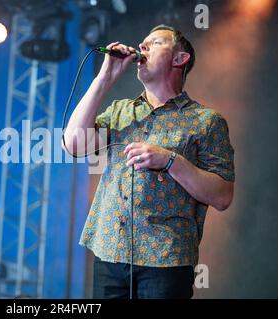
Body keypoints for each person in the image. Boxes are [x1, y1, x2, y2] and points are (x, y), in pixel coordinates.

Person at [63, 25, 235, 299]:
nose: (142, 47)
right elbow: (73, 143)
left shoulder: (206, 121)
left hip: (165, 259)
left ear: (180, 59)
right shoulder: (121, 110)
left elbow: (223, 196)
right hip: (110, 251)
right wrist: (104, 78)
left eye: (154, 43)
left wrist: (170, 160)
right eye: (142, 43)